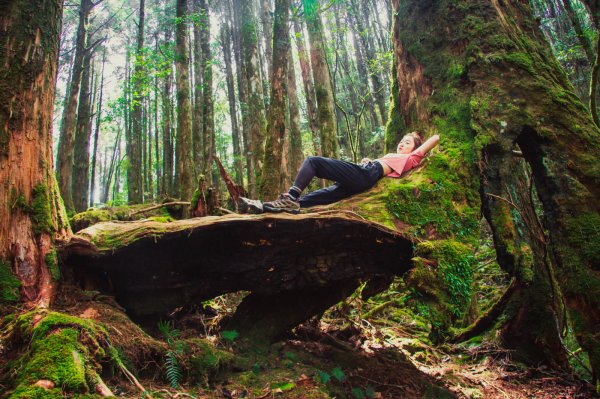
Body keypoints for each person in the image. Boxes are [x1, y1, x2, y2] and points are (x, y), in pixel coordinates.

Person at [239, 132, 440, 214]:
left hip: (367, 175)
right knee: (318, 197)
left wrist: (431, 138)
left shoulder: (412, 158)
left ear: (414, 149)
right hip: (365, 177)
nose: (402, 143)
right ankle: (266, 206)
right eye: (401, 140)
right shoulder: (393, 158)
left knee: (313, 162)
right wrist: (371, 161)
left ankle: (291, 196)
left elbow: (431, 142)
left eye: (407, 142)